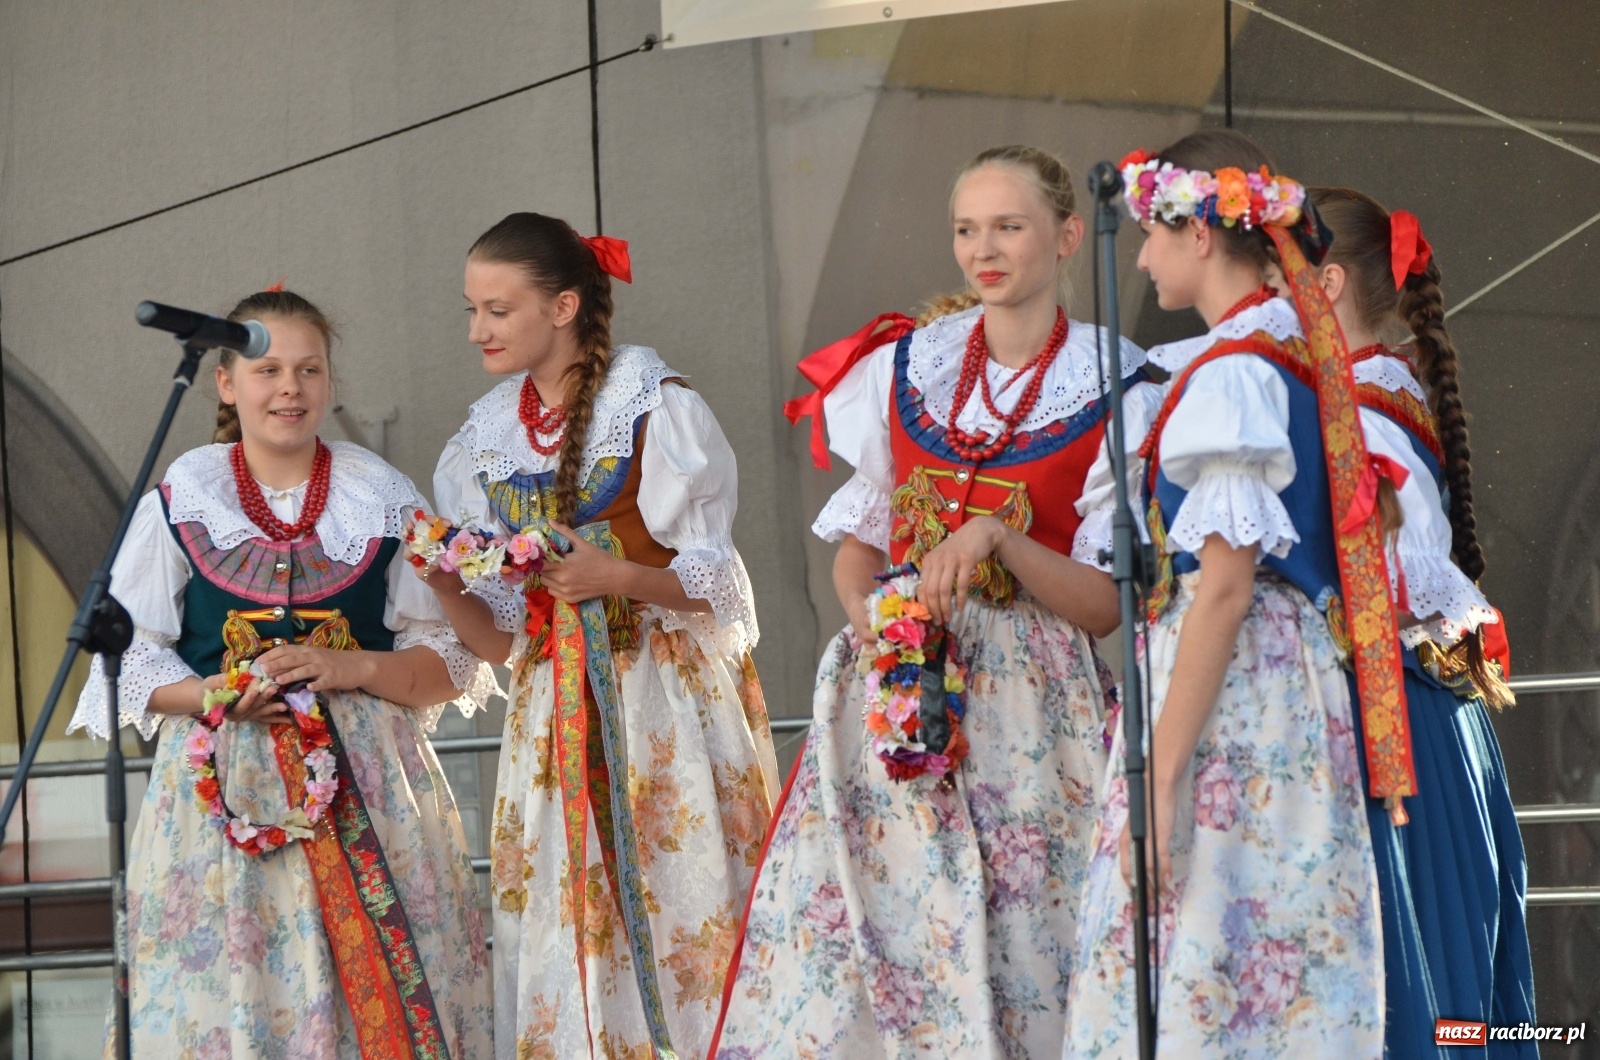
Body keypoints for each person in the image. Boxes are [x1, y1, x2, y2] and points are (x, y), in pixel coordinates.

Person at [713, 144, 1156, 1058]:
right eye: (966, 229)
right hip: (895, 689)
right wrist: (877, 625)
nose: (982, 250)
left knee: (1025, 935)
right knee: (873, 931)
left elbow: (1104, 606)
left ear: (1068, 235)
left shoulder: (1120, 383)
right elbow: (859, 550)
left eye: (1008, 226)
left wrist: (1003, 540)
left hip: (1033, 710)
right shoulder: (909, 366)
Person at [68, 288, 496, 1058]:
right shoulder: (184, 495)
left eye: (309, 369)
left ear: (330, 382)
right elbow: (126, 660)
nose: (289, 388)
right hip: (222, 787)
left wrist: (351, 665)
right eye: (267, 370)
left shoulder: (382, 496)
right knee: (232, 989)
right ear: (225, 382)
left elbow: (451, 660)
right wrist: (214, 693)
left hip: (370, 784)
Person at [1065, 130, 1407, 1056]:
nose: (1142, 258)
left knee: (1202, 952)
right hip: (1287, 686)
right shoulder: (1297, 353)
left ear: (1200, 233)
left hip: (1234, 690)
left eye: (1152, 233)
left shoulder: (1236, 372)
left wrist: (1160, 778)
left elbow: (1222, 588)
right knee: (1270, 957)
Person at [424, 213, 778, 1060]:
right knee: (565, 922)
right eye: (472, 310)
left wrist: (617, 578)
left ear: (563, 307)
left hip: (660, 701)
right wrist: (441, 581)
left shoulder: (654, 406)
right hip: (550, 716)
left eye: (498, 310)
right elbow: (506, 644)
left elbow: (719, 588)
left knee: (677, 904)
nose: (477, 330)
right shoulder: (481, 441)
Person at [1302, 185, 1536, 1056]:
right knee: (1443, 992)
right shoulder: (1383, 393)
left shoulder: (1358, 413)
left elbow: (1383, 588)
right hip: (1426, 716)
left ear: (1325, 285)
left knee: (1413, 992)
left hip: (1393, 725)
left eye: (1272, 275)